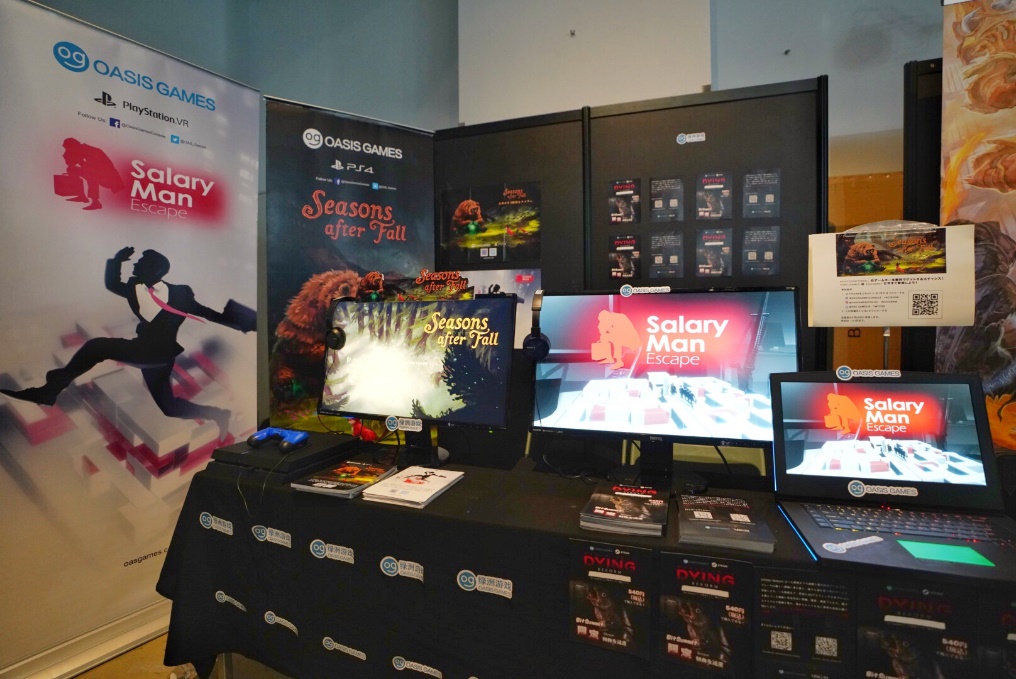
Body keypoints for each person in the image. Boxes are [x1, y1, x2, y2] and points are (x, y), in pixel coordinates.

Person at [2, 247, 255, 438]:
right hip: (149, 355)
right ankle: (217, 413)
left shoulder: (180, 293)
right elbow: (113, 283)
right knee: (169, 407)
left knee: (97, 347)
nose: (135, 266)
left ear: (156, 270)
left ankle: (48, 392)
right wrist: (117, 261)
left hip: (156, 354)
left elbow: (207, 313)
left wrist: (245, 322)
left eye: (140, 264)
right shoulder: (134, 286)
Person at [61, 137, 125, 210]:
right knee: (71, 170)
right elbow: (71, 164)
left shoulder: (93, 151)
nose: (67, 151)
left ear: (74, 147)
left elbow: (93, 169)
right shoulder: (80, 151)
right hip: (97, 173)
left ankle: (96, 203)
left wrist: (79, 160)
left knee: (91, 176)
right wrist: (67, 156)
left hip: (110, 179)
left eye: (68, 149)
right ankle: (81, 196)